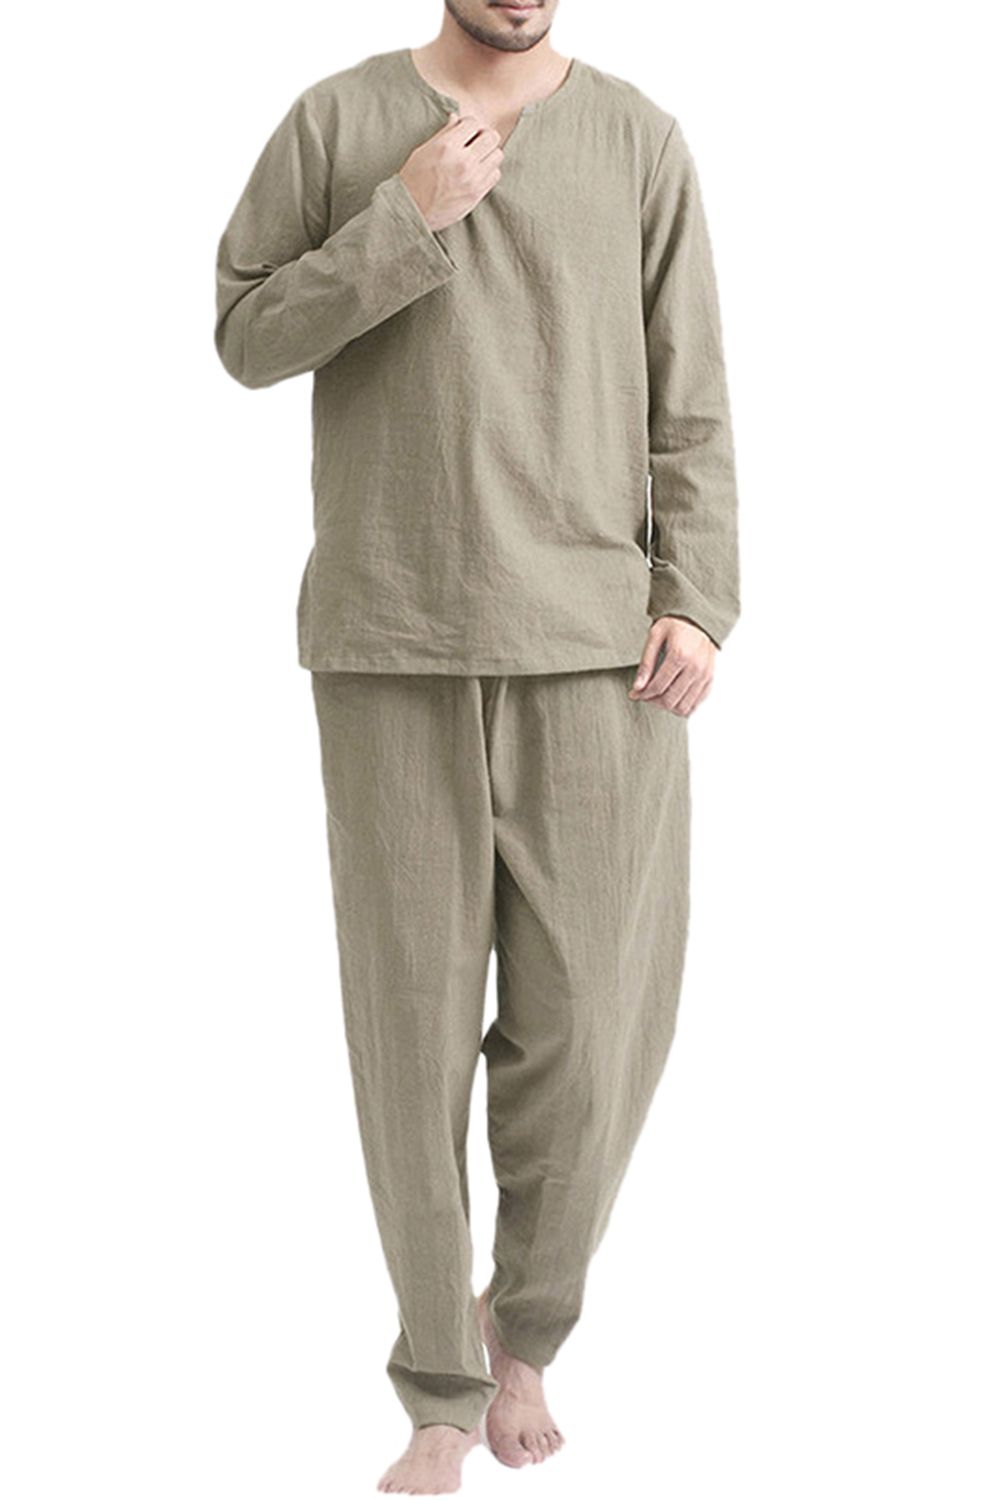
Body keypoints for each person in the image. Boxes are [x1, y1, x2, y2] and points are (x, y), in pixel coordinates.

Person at [214, 1, 740, 1491]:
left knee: (596, 1026)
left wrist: (698, 596)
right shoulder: (334, 121)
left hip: (598, 646)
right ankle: (443, 1384)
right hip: (391, 632)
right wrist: (403, 218)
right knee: (411, 1032)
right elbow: (246, 339)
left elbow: (691, 399)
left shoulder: (638, 139)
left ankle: (528, 1321)